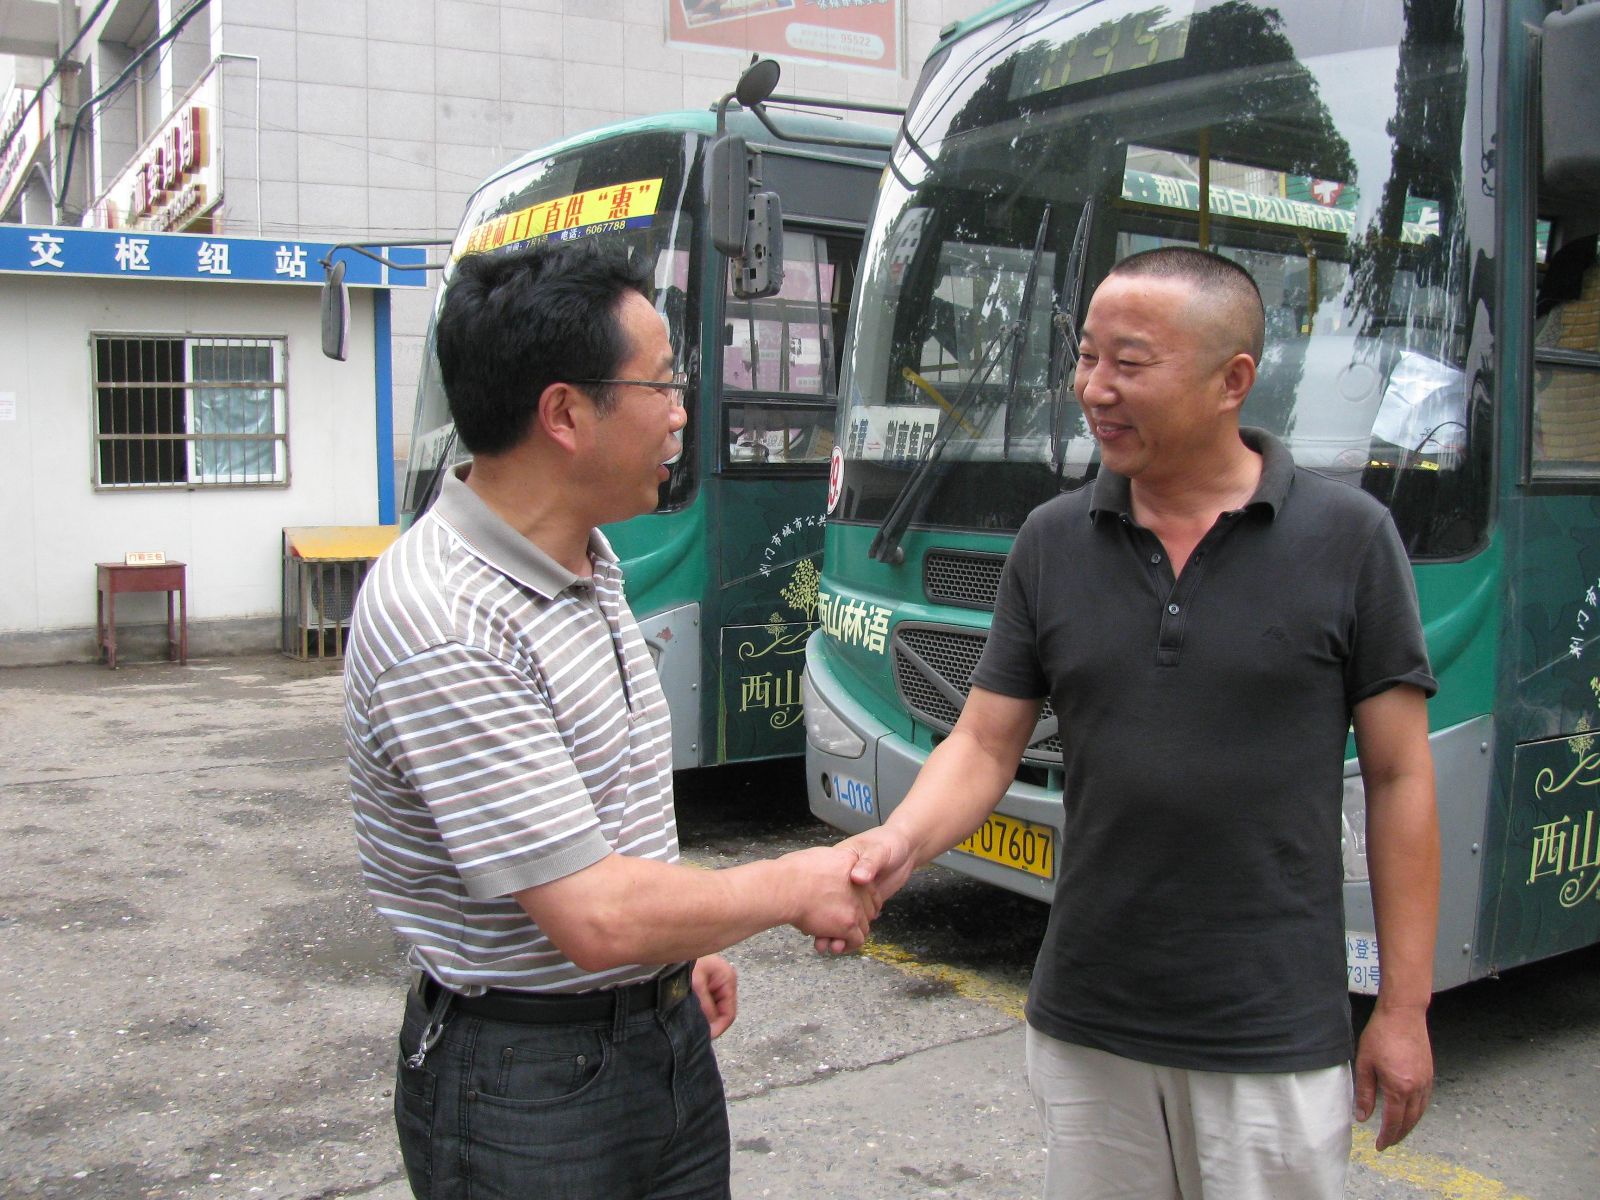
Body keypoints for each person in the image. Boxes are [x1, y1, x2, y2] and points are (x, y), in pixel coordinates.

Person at [839, 247, 1440, 1199]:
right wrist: (899, 842)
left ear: (1231, 381)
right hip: (1090, 1018)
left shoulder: (1350, 539)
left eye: (1129, 363)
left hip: (1271, 1033)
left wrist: (1403, 1008)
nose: (1094, 389)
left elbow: (1401, 777)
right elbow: (986, 741)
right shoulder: (1051, 540)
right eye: (1086, 358)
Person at [344, 239, 874, 1200]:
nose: (681, 413)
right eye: (661, 384)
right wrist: (794, 882)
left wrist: (678, 941)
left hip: (658, 1038)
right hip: (529, 1087)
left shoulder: (587, 556)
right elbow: (591, 915)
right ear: (564, 413)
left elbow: (606, 808)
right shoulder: (445, 618)